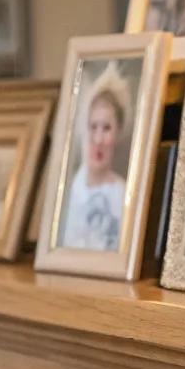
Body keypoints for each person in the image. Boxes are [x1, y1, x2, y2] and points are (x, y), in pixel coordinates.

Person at [60, 65, 130, 251]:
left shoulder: (123, 195)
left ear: (118, 132)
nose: (98, 139)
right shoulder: (68, 191)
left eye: (106, 128)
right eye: (93, 127)